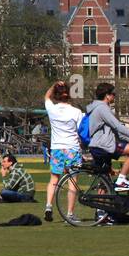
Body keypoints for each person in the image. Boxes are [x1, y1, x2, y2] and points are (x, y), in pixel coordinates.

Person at [85, 82, 129, 192]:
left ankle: (101, 208)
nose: (114, 96)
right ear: (107, 95)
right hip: (104, 145)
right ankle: (122, 180)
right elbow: (118, 126)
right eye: (113, 94)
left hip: (97, 145)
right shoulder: (102, 108)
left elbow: (113, 130)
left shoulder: (96, 108)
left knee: (105, 179)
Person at [43, 80, 85, 223]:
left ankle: (49, 205)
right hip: (72, 147)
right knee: (72, 181)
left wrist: (53, 85)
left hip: (56, 147)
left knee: (54, 179)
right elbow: (81, 131)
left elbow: (46, 96)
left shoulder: (52, 109)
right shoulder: (76, 112)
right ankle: (69, 214)